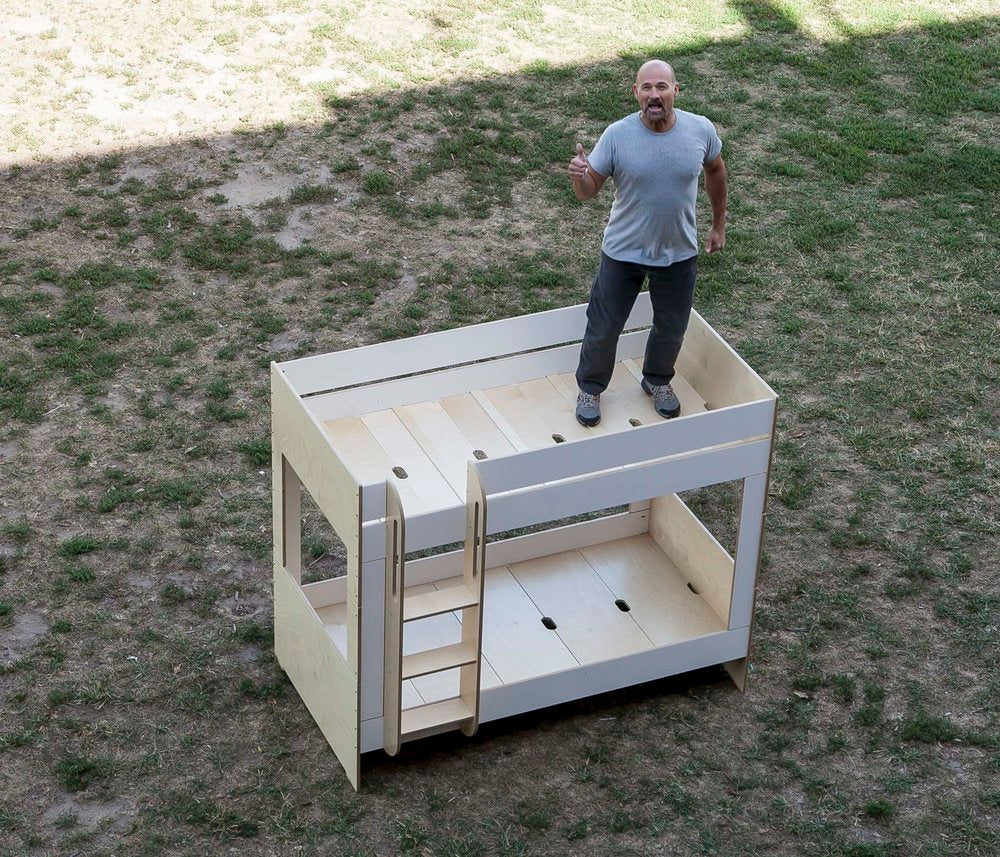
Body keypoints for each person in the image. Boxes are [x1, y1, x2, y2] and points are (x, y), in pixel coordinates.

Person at [568, 59, 728, 426]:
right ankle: (591, 387)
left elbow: (716, 170)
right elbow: (587, 191)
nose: (654, 95)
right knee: (604, 325)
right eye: (646, 88)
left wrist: (718, 226)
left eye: (661, 87)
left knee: (671, 327)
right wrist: (579, 176)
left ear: (675, 91)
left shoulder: (699, 130)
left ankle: (657, 381)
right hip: (623, 253)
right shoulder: (617, 135)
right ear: (636, 93)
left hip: (679, 253)